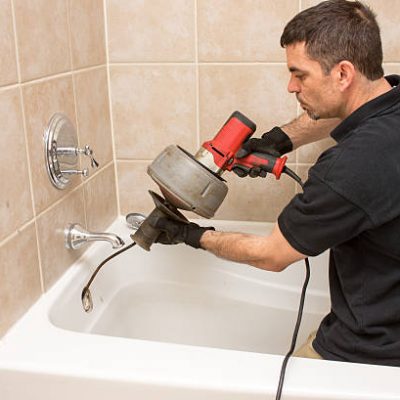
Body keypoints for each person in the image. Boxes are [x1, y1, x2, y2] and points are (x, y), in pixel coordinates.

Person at [149, 0, 400, 366]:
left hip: (371, 351)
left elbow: (272, 255)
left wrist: (190, 235)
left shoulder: (351, 166)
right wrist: (278, 139)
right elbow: (347, 109)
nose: (290, 86)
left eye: (300, 75)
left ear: (343, 74)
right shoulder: (388, 99)